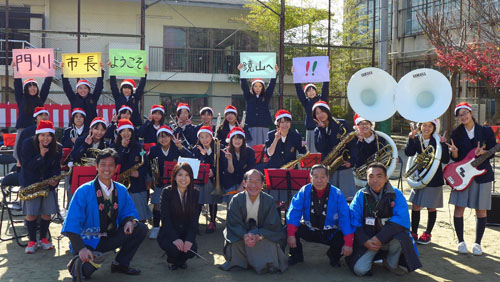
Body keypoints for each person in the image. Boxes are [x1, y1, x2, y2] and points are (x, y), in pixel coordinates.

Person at [62, 148, 147, 280]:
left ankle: (120, 264)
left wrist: (129, 221)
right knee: (85, 272)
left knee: (140, 228)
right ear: (96, 167)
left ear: (115, 168)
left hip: (110, 236)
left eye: (111, 165)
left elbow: (128, 211)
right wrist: (81, 249)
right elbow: (72, 222)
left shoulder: (121, 189)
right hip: (88, 240)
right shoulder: (83, 191)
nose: (107, 169)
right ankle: (77, 262)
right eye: (103, 165)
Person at [347, 163, 421, 276]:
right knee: (360, 270)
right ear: (366, 178)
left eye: (379, 176)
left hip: (388, 238)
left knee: (401, 236)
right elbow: (353, 220)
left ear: (386, 178)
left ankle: (391, 263)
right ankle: (372, 256)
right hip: (369, 240)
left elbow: (401, 219)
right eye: (371, 176)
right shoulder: (360, 195)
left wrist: (380, 238)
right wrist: (365, 241)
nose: (375, 180)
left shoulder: (396, 194)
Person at [447, 102, 496, 255]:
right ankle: (461, 241)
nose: (463, 116)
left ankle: (477, 243)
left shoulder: (486, 131)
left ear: (471, 113)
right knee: (459, 208)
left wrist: (484, 152)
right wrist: (454, 152)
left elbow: (493, 151)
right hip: (462, 175)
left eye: (465, 113)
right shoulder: (456, 133)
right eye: (460, 115)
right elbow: (455, 158)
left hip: (483, 174)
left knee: (481, 211)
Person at [286, 164, 353, 268]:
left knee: (343, 238)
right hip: (309, 229)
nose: (319, 180)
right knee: (290, 229)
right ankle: (296, 255)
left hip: (329, 231)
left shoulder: (337, 193)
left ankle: (333, 256)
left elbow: (345, 217)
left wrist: (348, 242)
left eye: (322, 177)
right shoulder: (304, 191)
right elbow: (294, 212)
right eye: (316, 177)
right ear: (311, 178)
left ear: (328, 178)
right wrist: (290, 235)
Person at [221, 169, 287, 274]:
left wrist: (258, 236)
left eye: (257, 182)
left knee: (267, 243)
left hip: (262, 236)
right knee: (236, 243)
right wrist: (244, 236)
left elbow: (273, 226)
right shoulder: (236, 200)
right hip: (241, 236)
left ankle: (262, 264)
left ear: (262, 184)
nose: (253, 185)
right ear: (244, 183)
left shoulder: (269, 200)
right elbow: (233, 223)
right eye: (250, 181)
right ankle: (244, 263)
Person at [404, 119, 449, 245]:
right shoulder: (417, 138)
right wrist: (411, 139)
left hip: (434, 178)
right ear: (420, 126)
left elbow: (445, 159)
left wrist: (444, 145)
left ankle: (428, 233)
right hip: (419, 177)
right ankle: (414, 232)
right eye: (424, 125)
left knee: (431, 207)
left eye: (430, 126)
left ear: (434, 128)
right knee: (416, 205)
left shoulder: (438, 141)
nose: (427, 128)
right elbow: (409, 153)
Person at [20, 120, 62, 254]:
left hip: (48, 185)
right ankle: (32, 240)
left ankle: (43, 238)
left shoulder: (57, 147)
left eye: (49, 135)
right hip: (31, 183)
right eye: (42, 135)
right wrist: (41, 156)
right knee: (31, 213)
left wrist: (55, 179)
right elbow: (27, 166)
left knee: (46, 213)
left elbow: (56, 168)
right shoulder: (27, 144)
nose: (46, 138)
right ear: (37, 135)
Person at [147, 125, 194, 239]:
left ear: (171, 137)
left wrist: (180, 147)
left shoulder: (176, 147)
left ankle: (175, 227)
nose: (163, 139)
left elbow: (190, 157)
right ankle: (156, 226)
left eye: (166, 136)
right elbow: (148, 164)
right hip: (160, 182)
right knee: (157, 204)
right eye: (161, 137)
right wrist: (153, 177)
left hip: (176, 182)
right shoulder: (154, 149)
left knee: (176, 205)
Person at [157, 162, 200, 270]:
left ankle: (181, 260)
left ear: (191, 177)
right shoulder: (167, 192)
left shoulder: (195, 193)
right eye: (180, 175)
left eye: (187, 175)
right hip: (169, 233)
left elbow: (194, 220)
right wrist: (175, 238)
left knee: (191, 251)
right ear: (174, 177)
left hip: (185, 233)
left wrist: (189, 239)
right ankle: (171, 260)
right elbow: (165, 219)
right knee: (174, 250)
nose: (183, 178)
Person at [12, 61, 54, 164]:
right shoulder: (21, 98)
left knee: (34, 150)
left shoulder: (40, 100)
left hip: (37, 130)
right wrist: (16, 70)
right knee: (19, 151)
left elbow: (46, 87)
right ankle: (19, 166)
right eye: (30, 86)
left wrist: (50, 72)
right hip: (23, 128)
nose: (32, 88)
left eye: (34, 86)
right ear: (26, 89)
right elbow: (17, 86)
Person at [313, 101, 356, 200]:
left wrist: (352, 160)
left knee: (346, 198)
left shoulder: (342, 124)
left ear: (328, 111)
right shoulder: (317, 130)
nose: (320, 115)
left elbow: (353, 145)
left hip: (343, 166)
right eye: (317, 113)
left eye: (322, 111)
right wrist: (322, 131)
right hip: (329, 168)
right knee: (329, 199)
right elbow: (320, 148)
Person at [113, 119, 151, 221]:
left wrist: (139, 173)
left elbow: (145, 165)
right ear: (119, 133)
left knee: (139, 213)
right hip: (119, 183)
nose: (126, 133)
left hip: (137, 183)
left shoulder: (139, 147)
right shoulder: (114, 147)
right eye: (123, 131)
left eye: (129, 130)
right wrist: (122, 148)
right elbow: (115, 163)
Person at [265, 109, 307, 203]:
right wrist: (276, 139)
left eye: (287, 121)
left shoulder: (295, 136)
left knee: (290, 200)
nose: (285, 124)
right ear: (277, 124)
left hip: (290, 171)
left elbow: (302, 152)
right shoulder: (271, 135)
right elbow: (269, 154)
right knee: (274, 200)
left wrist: (296, 162)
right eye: (282, 122)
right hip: (274, 170)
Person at [191, 126, 224, 233]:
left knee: (212, 200)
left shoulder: (218, 148)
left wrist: (213, 172)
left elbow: (220, 164)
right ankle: (195, 222)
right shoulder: (196, 149)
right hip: (199, 179)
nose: (204, 139)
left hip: (213, 179)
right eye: (202, 137)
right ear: (199, 138)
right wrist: (203, 156)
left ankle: (212, 221)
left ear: (211, 137)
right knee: (198, 200)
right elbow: (194, 164)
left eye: (207, 137)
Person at [238, 64, 279, 146]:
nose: (257, 88)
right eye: (255, 86)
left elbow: (271, 86)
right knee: (252, 148)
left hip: (263, 126)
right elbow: (244, 86)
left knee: (264, 147)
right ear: (252, 87)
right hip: (251, 127)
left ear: (262, 87)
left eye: (260, 86)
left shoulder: (266, 97)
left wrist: (274, 73)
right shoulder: (249, 97)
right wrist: (242, 72)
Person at [292, 64, 330, 153]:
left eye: (313, 89)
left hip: (322, 129)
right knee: (310, 152)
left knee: (321, 150)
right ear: (306, 93)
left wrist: (326, 71)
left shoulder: (322, 99)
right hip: (310, 130)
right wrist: (295, 75)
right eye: (308, 91)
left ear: (316, 91)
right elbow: (299, 91)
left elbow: (325, 88)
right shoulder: (306, 102)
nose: (311, 92)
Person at [61, 62, 104, 127]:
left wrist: (101, 70)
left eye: (85, 88)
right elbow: (66, 86)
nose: (83, 90)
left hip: (91, 127)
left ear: (89, 90)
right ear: (77, 90)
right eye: (80, 88)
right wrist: (63, 71)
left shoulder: (93, 97)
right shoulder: (73, 98)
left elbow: (99, 86)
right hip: (76, 127)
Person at [221, 127, 256, 203]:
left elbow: (250, 170)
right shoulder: (225, 152)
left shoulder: (250, 152)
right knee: (232, 202)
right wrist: (229, 160)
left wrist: (242, 185)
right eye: (235, 138)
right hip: (230, 181)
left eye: (240, 138)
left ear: (243, 140)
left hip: (245, 180)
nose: (237, 141)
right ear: (231, 140)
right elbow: (230, 172)